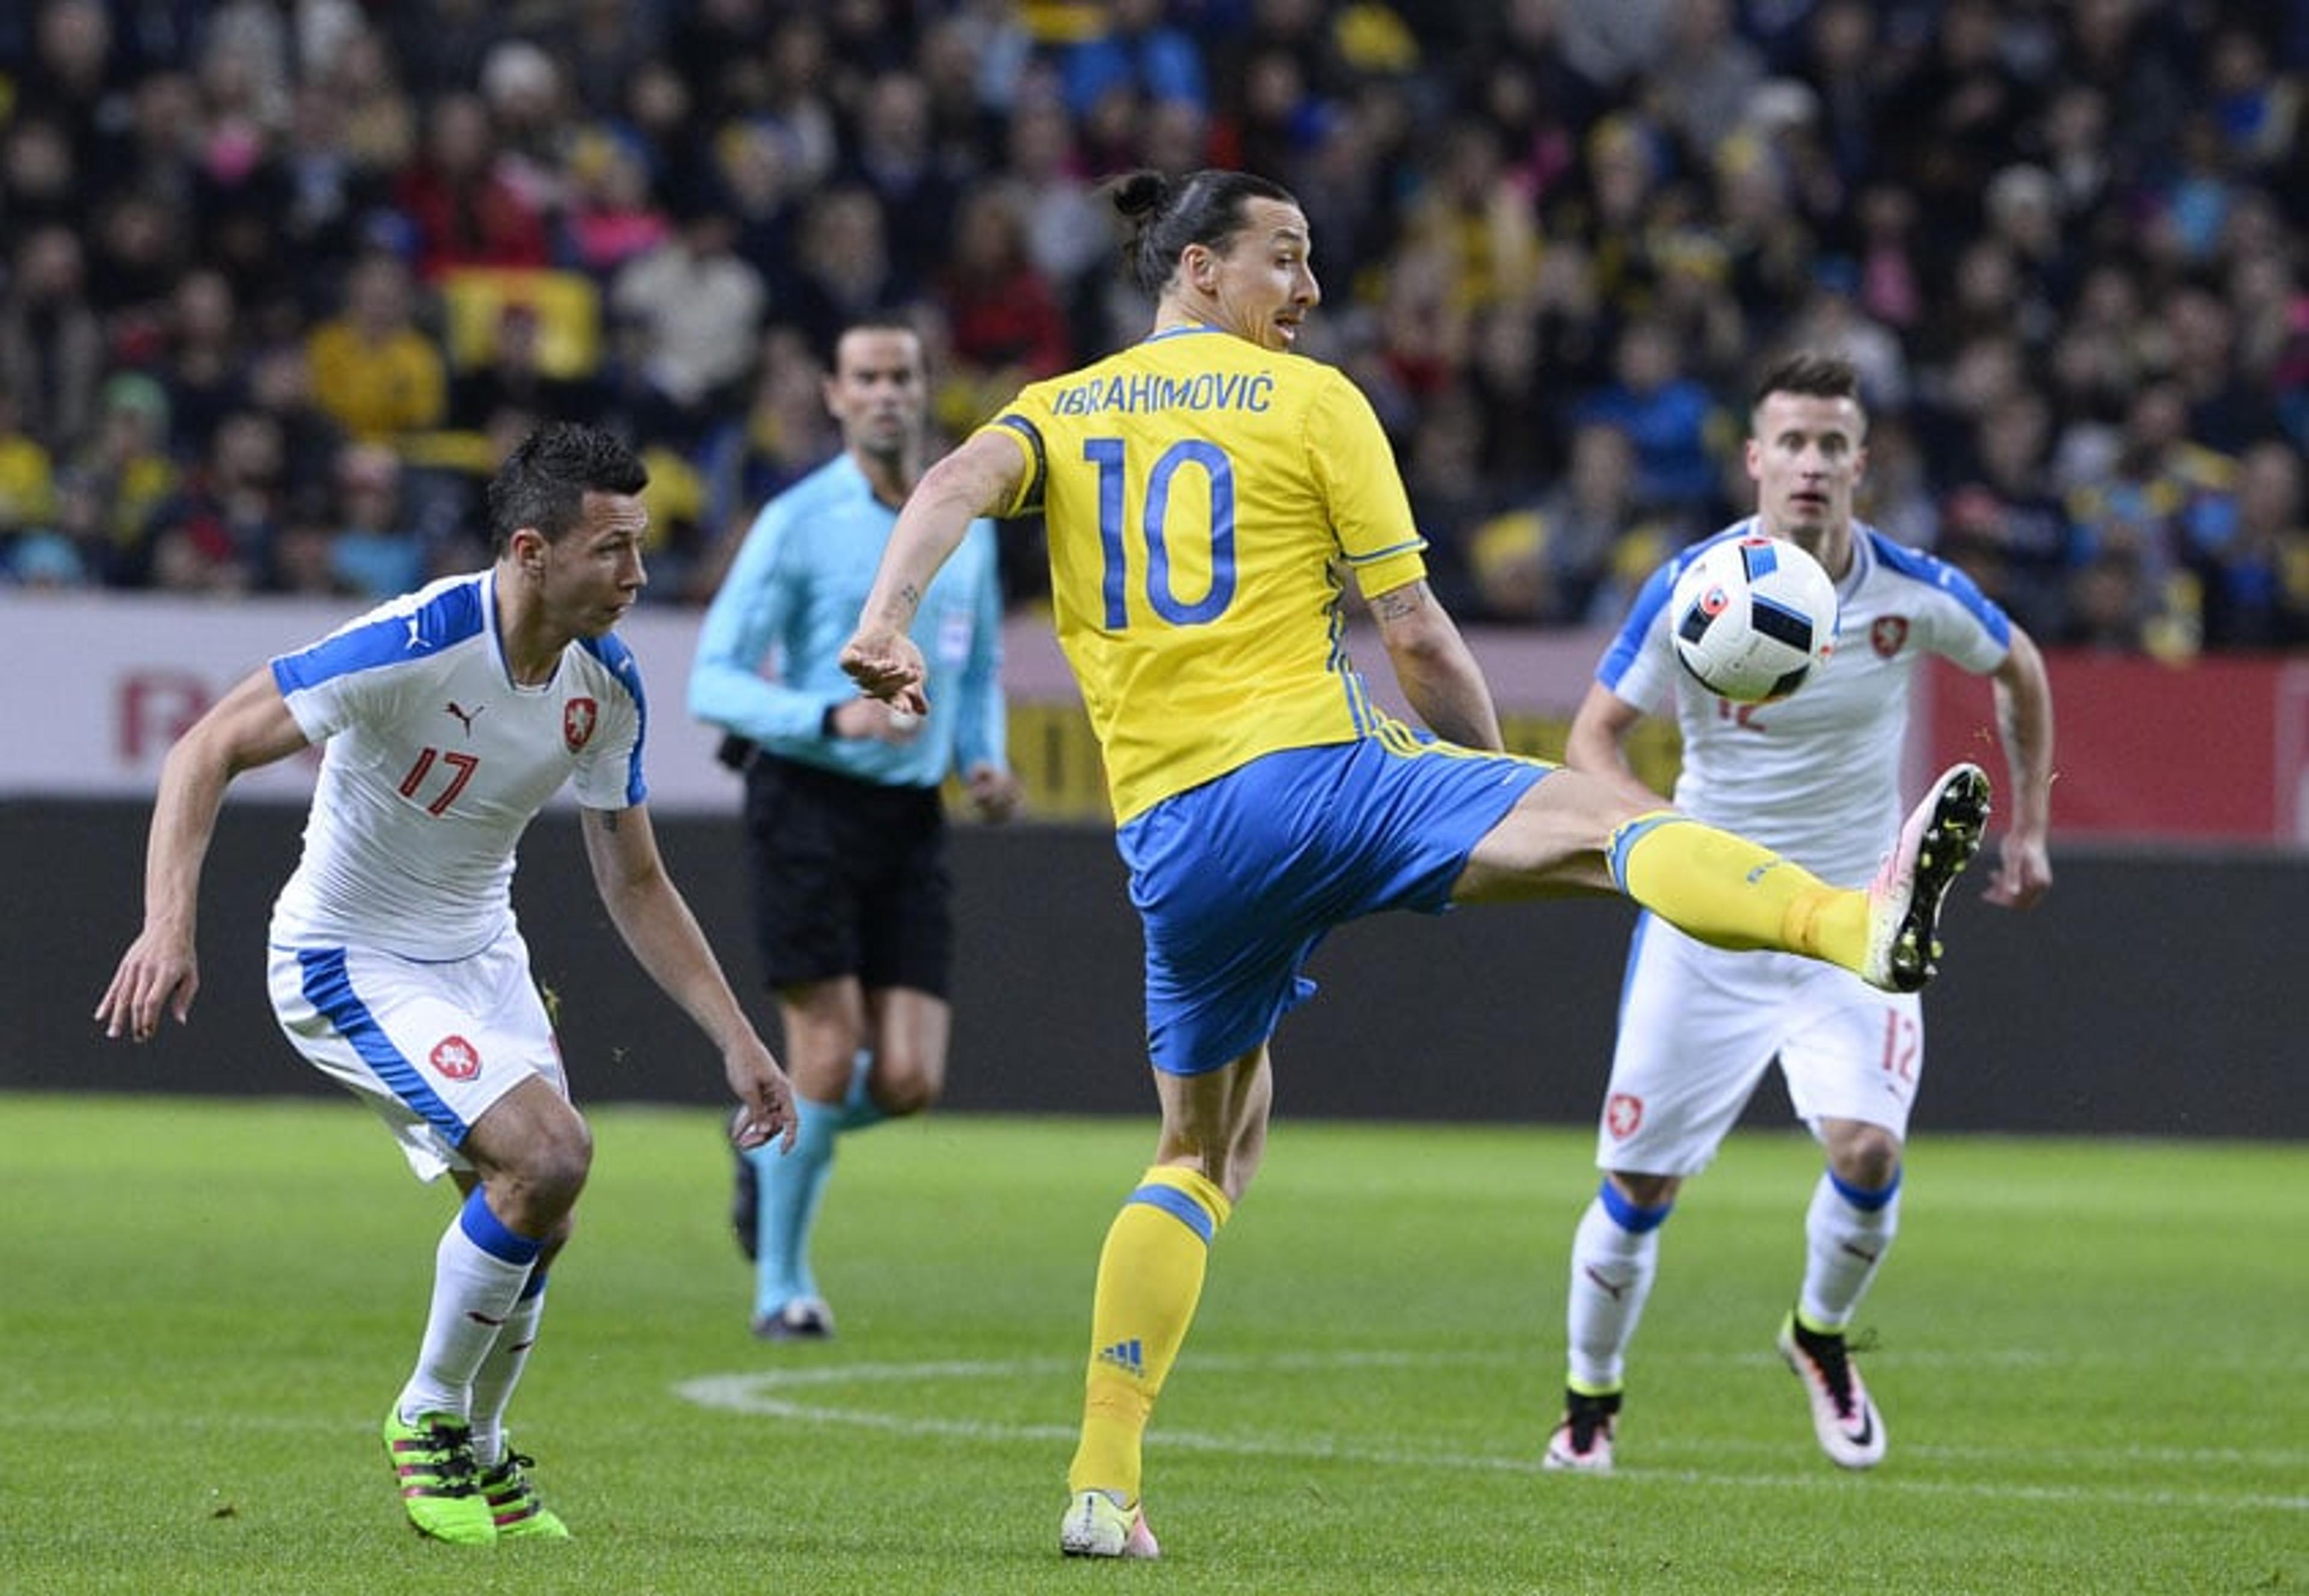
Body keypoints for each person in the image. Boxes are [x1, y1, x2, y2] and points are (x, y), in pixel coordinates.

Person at [836, 170, 1992, 1562]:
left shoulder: (1057, 410)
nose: (1309, 290)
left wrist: (889, 616)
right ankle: (1848, 924)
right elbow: (1419, 633)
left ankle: (1103, 1481)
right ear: (1198, 267)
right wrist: (1506, 783)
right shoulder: (1313, 401)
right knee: (1610, 825)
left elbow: (956, 480)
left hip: (1174, 844)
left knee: (1202, 1150)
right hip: (1322, 777)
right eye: (1286, 259)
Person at [94, 421, 797, 1546]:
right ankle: (428, 1416)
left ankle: (481, 1446)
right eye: (611, 549)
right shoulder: (415, 640)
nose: (638, 575)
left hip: (482, 955)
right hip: (348, 955)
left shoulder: (604, 685)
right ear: (530, 552)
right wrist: (167, 927)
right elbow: (206, 747)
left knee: (543, 1210)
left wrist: (737, 1038)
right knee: (550, 1153)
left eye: (641, 546)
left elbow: (637, 878)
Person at [1541, 351, 2055, 1476]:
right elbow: (1592, 742)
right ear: (1756, 460)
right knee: (1637, 1186)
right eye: (1794, 442)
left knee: (1867, 1150)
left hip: (1852, 924)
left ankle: (1819, 1338)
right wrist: (1664, 842)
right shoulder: (1695, 584)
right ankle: (1590, 1405)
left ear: (1861, 465)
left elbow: (2019, 666)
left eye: (1834, 444)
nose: (1812, 464)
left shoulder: (1910, 589)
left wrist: (2030, 828)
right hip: (1709, 928)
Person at [688, 317, 1022, 1341]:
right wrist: (825, 714)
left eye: (903, 377)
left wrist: (982, 754)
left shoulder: (963, 521)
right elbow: (713, 678)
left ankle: (766, 1145)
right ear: (833, 396)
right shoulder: (797, 521)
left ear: (927, 390)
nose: (886, 394)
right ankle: (781, 1287)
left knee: (913, 1079)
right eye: (866, 378)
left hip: (910, 814)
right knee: (825, 1053)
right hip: (810, 802)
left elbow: (974, 664)